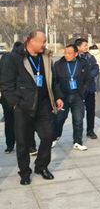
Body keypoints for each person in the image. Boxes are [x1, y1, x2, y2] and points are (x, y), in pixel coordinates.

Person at [0, 31, 64, 185]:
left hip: (44, 105)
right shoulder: (13, 58)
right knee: (23, 142)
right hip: (23, 106)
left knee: (48, 136)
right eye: (42, 41)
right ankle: (24, 172)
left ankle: (41, 166)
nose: (44, 44)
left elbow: (53, 80)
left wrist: (58, 96)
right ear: (31, 41)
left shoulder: (46, 57)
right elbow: (6, 84)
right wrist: (15, 103)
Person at [53, 44, 93, 151]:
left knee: (78, 120)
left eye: (69, 53)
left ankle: (77, 142)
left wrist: (83, 91)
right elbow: (55, 82)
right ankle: (54, 137)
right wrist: (58, 97)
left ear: (76, 54)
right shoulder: (58, 64)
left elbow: (88, 79)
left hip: (77, 96)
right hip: (63, 97)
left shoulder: (83, 63)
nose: (66, 55)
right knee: (59, 119)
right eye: (65, 53)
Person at [75, 38, 99, 140]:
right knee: (78, 113)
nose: (87, 47)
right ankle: (77, 133)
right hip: (78, 90)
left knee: (91, 110)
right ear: (78, 47)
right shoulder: (74, 57)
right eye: (84, 45)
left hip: (89, 88)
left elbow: (96, 68)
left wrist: (89, 76)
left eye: (86, 45)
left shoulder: (90, 57)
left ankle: (90, 131)